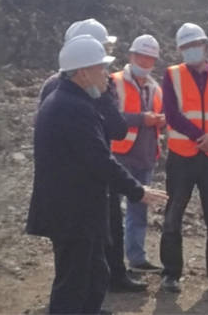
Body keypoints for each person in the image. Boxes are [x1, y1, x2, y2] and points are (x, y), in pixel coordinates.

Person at [27, 34, 166, 314]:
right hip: (72, 212)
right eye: (100, 69)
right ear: (82, 73)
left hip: (79, 209)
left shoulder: (73, 101)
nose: (106, 75)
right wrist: (137, 190)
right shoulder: (72, 108)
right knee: (73, 283)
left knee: (94, 274)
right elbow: (99, 160)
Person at [38, 19, 145, 292]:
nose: (106, 70)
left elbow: (115, 130)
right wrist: (137, 190)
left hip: (89, 179)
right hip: (79, 184)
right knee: (78, 254)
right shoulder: (69, 95)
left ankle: (103, 286)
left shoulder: (75, 88)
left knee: (96, 246)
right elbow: (107, 136)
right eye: (103, 54)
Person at [160, 22, 208, 293]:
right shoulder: (172, 74)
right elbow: (171, 114)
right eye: (186, 47)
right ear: (180, 49)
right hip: (182, 157)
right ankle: (171, 273)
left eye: (195, 45)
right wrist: (201, 137)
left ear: (205, 45)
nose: (191, 50)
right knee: (173, 216)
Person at [109, 34, 167, 276]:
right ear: (131, 56)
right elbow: (110, 117)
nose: (145, 62)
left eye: (150, 58)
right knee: (111, 212)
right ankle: (112, 262)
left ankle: (136, 258)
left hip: (145, 156)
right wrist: (142, 119)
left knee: (139, 211)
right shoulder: (114, 82)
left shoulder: (156, 88)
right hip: (119, 156)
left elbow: (160, 119)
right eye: (141, 57)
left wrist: (160, 121)